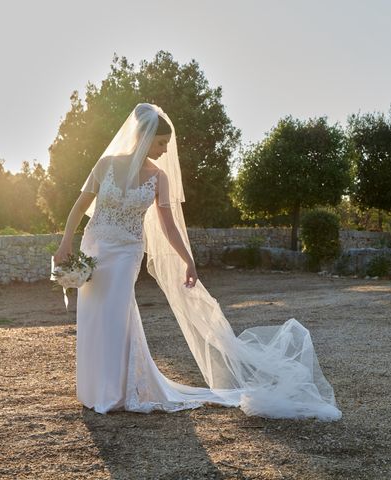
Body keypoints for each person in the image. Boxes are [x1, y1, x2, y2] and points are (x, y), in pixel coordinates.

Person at [53, 103, 341, 421]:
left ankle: (116, 392)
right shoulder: (106, 163)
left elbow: (168, 226)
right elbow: (80, 206)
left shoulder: (158, 177)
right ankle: (94, 390)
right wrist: (66, 242)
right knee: (94, 315)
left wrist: (187, 259)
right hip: (94, 248)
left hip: (126, 253)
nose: (165, 150)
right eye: (162, 143)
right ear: (147, 137)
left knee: (114, 316)